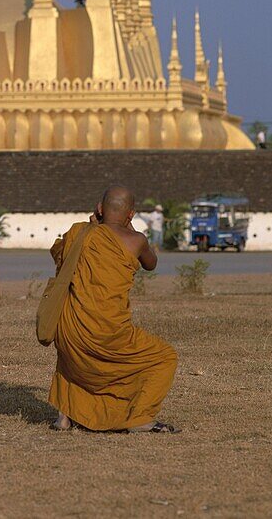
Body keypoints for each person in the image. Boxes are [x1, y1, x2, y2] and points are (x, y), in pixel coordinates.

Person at [49, 185, 179, 433]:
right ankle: (140, 417)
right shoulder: (137, 240)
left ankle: (63, 417)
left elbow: (60, 259)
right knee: (164, 357)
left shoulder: (79, 233)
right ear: (131, 214)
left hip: (72, 330)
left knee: (69, 345)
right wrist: (131, 229)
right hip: (110, 331)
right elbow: (151, 264)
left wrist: (91, 228)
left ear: (99, 209)